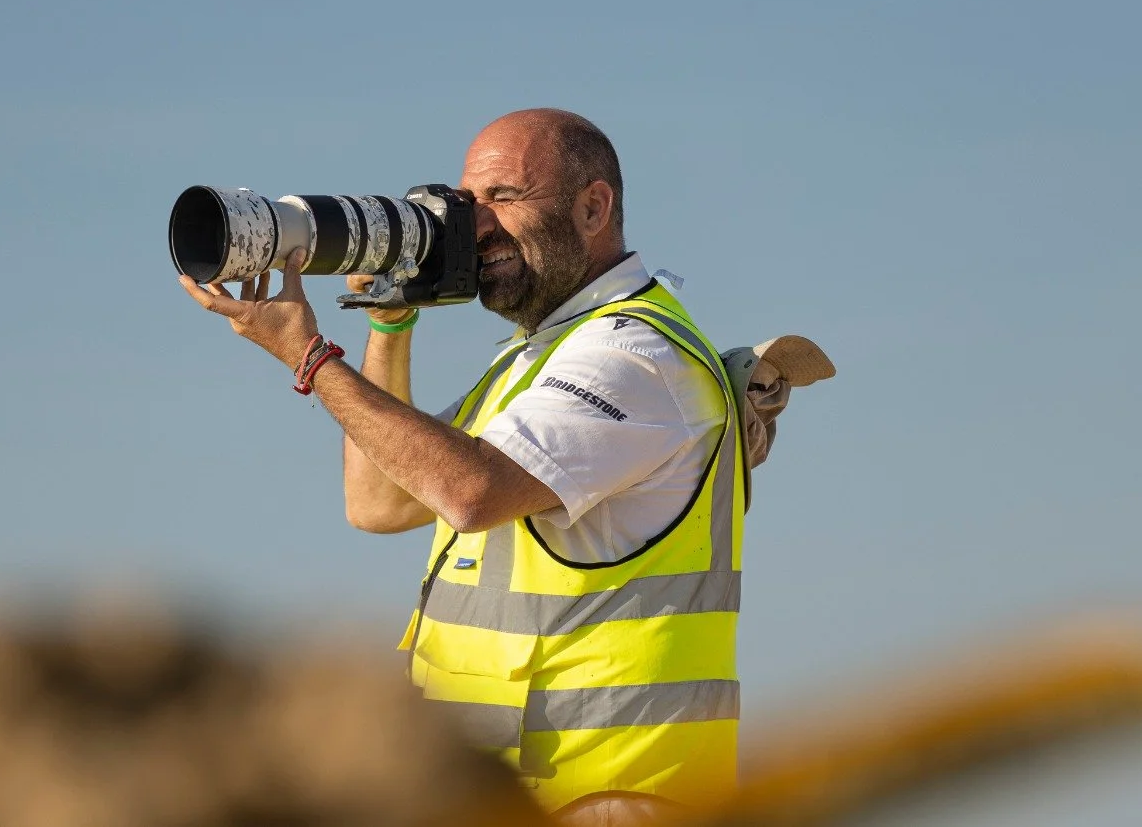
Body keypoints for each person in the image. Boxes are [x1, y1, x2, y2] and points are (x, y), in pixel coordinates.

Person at [180, 109, 745, 825]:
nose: (474, 225)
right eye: (467, 202)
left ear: (594, 207)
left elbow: (469, 492)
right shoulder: (540, 356)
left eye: (504, 198)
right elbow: (379, 502)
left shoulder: (633, 355)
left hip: (612, 798)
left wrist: (310, 358)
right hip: (511, 800)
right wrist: (388, 320)